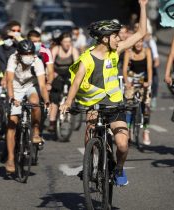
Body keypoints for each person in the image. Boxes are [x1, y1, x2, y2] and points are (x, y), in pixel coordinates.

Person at [60, 0, 148, 186]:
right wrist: (68, 103)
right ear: (104, 38)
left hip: (115, 103)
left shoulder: (115, 52)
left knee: (123, 144)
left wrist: (143, 6)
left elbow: (141, 33)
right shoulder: (87, 58)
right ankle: (89, 164)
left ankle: (119, 169)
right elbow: (76, 81)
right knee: (90, 132)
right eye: (115, 36)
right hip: (95, 104)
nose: (119, 39)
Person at [5, 40, 50, 173]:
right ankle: (11, 159)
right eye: (25, 53)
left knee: (35, 103)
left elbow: (42, 85)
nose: (28, 56)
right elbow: (9, 80)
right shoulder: (12, 59)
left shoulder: (37, 61)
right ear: (19, 54)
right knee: (12, 122)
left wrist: (47, 100)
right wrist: (12, 98)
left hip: (31, 86)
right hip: (16, 88)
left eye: (30, 53)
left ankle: (36, 131)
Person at [123, 39, 153, 145]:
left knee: (147, 106)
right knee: (129, 106)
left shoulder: (147, 51)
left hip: (143, 79)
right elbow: (125, 69)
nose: (139, 44)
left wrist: (148, 81)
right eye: (136, 42)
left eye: (141, 42)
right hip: (132, 79)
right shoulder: (129, 52)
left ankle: (145, 131)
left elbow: (149, 68)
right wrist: (126, 82)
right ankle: (128, 130)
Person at [48, 32, 79, 133]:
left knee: (74, 89)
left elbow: (78, 65)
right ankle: (52, 122)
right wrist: (51, 74)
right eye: (65, 42)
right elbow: (50, 64)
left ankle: (73, 105)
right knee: (55, 98)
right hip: (57, 74)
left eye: (69, 42)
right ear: (61, 42)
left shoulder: (73, 50)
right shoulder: (56, 49)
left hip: (69, 74)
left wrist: (76, 77)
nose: (67, 44)